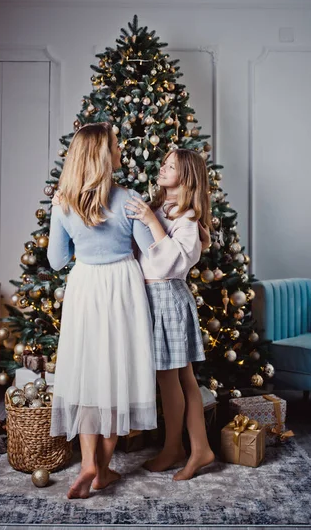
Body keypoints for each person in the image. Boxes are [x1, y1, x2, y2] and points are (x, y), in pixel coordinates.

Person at [47, 122, 156, 499]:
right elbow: (152, 254)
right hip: (122, 287)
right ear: (103, 155)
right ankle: (103, 469)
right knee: (118, 376)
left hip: (85, 288)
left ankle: (88, 464)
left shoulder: (63, 203)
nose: (121, 151)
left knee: (90, 375)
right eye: (115, 146)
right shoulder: (129, 199)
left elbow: (57, 260)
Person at [125, 148, 215, 481]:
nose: (162, 168)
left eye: (170, 166)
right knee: (172, 380)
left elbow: (167, 263)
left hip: (168, 300)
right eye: (162, 163)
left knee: (179, 380)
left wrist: (150, 221)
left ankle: (193, 448)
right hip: (150, 299)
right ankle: (177, 447)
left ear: (187, 176)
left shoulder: (188, 217)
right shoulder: (160, 208)